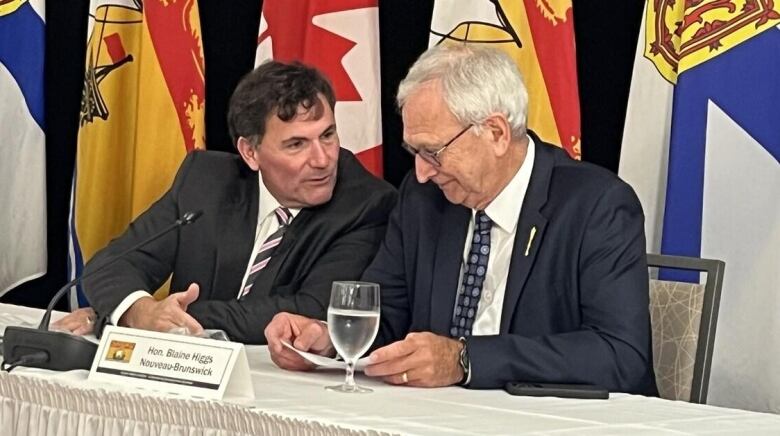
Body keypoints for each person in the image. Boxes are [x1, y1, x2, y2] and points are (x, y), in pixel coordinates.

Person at [264, 44, 657, 394]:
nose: (420, 172)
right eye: (413, 152)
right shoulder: (424, 199)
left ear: (497, 133)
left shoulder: (597, 205)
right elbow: (385, 316)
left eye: (433, 152)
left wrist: (467, 360)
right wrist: (329, 339)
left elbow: (620, 355)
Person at [53, 61, 397, 344]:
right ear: (250, 152)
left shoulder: (366, 205)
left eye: (327, 135)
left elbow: (311, 308)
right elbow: (111, 264)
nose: (322, 159)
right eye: (296, 145)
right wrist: (137, 309)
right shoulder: (206, 180)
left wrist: (153, 317)